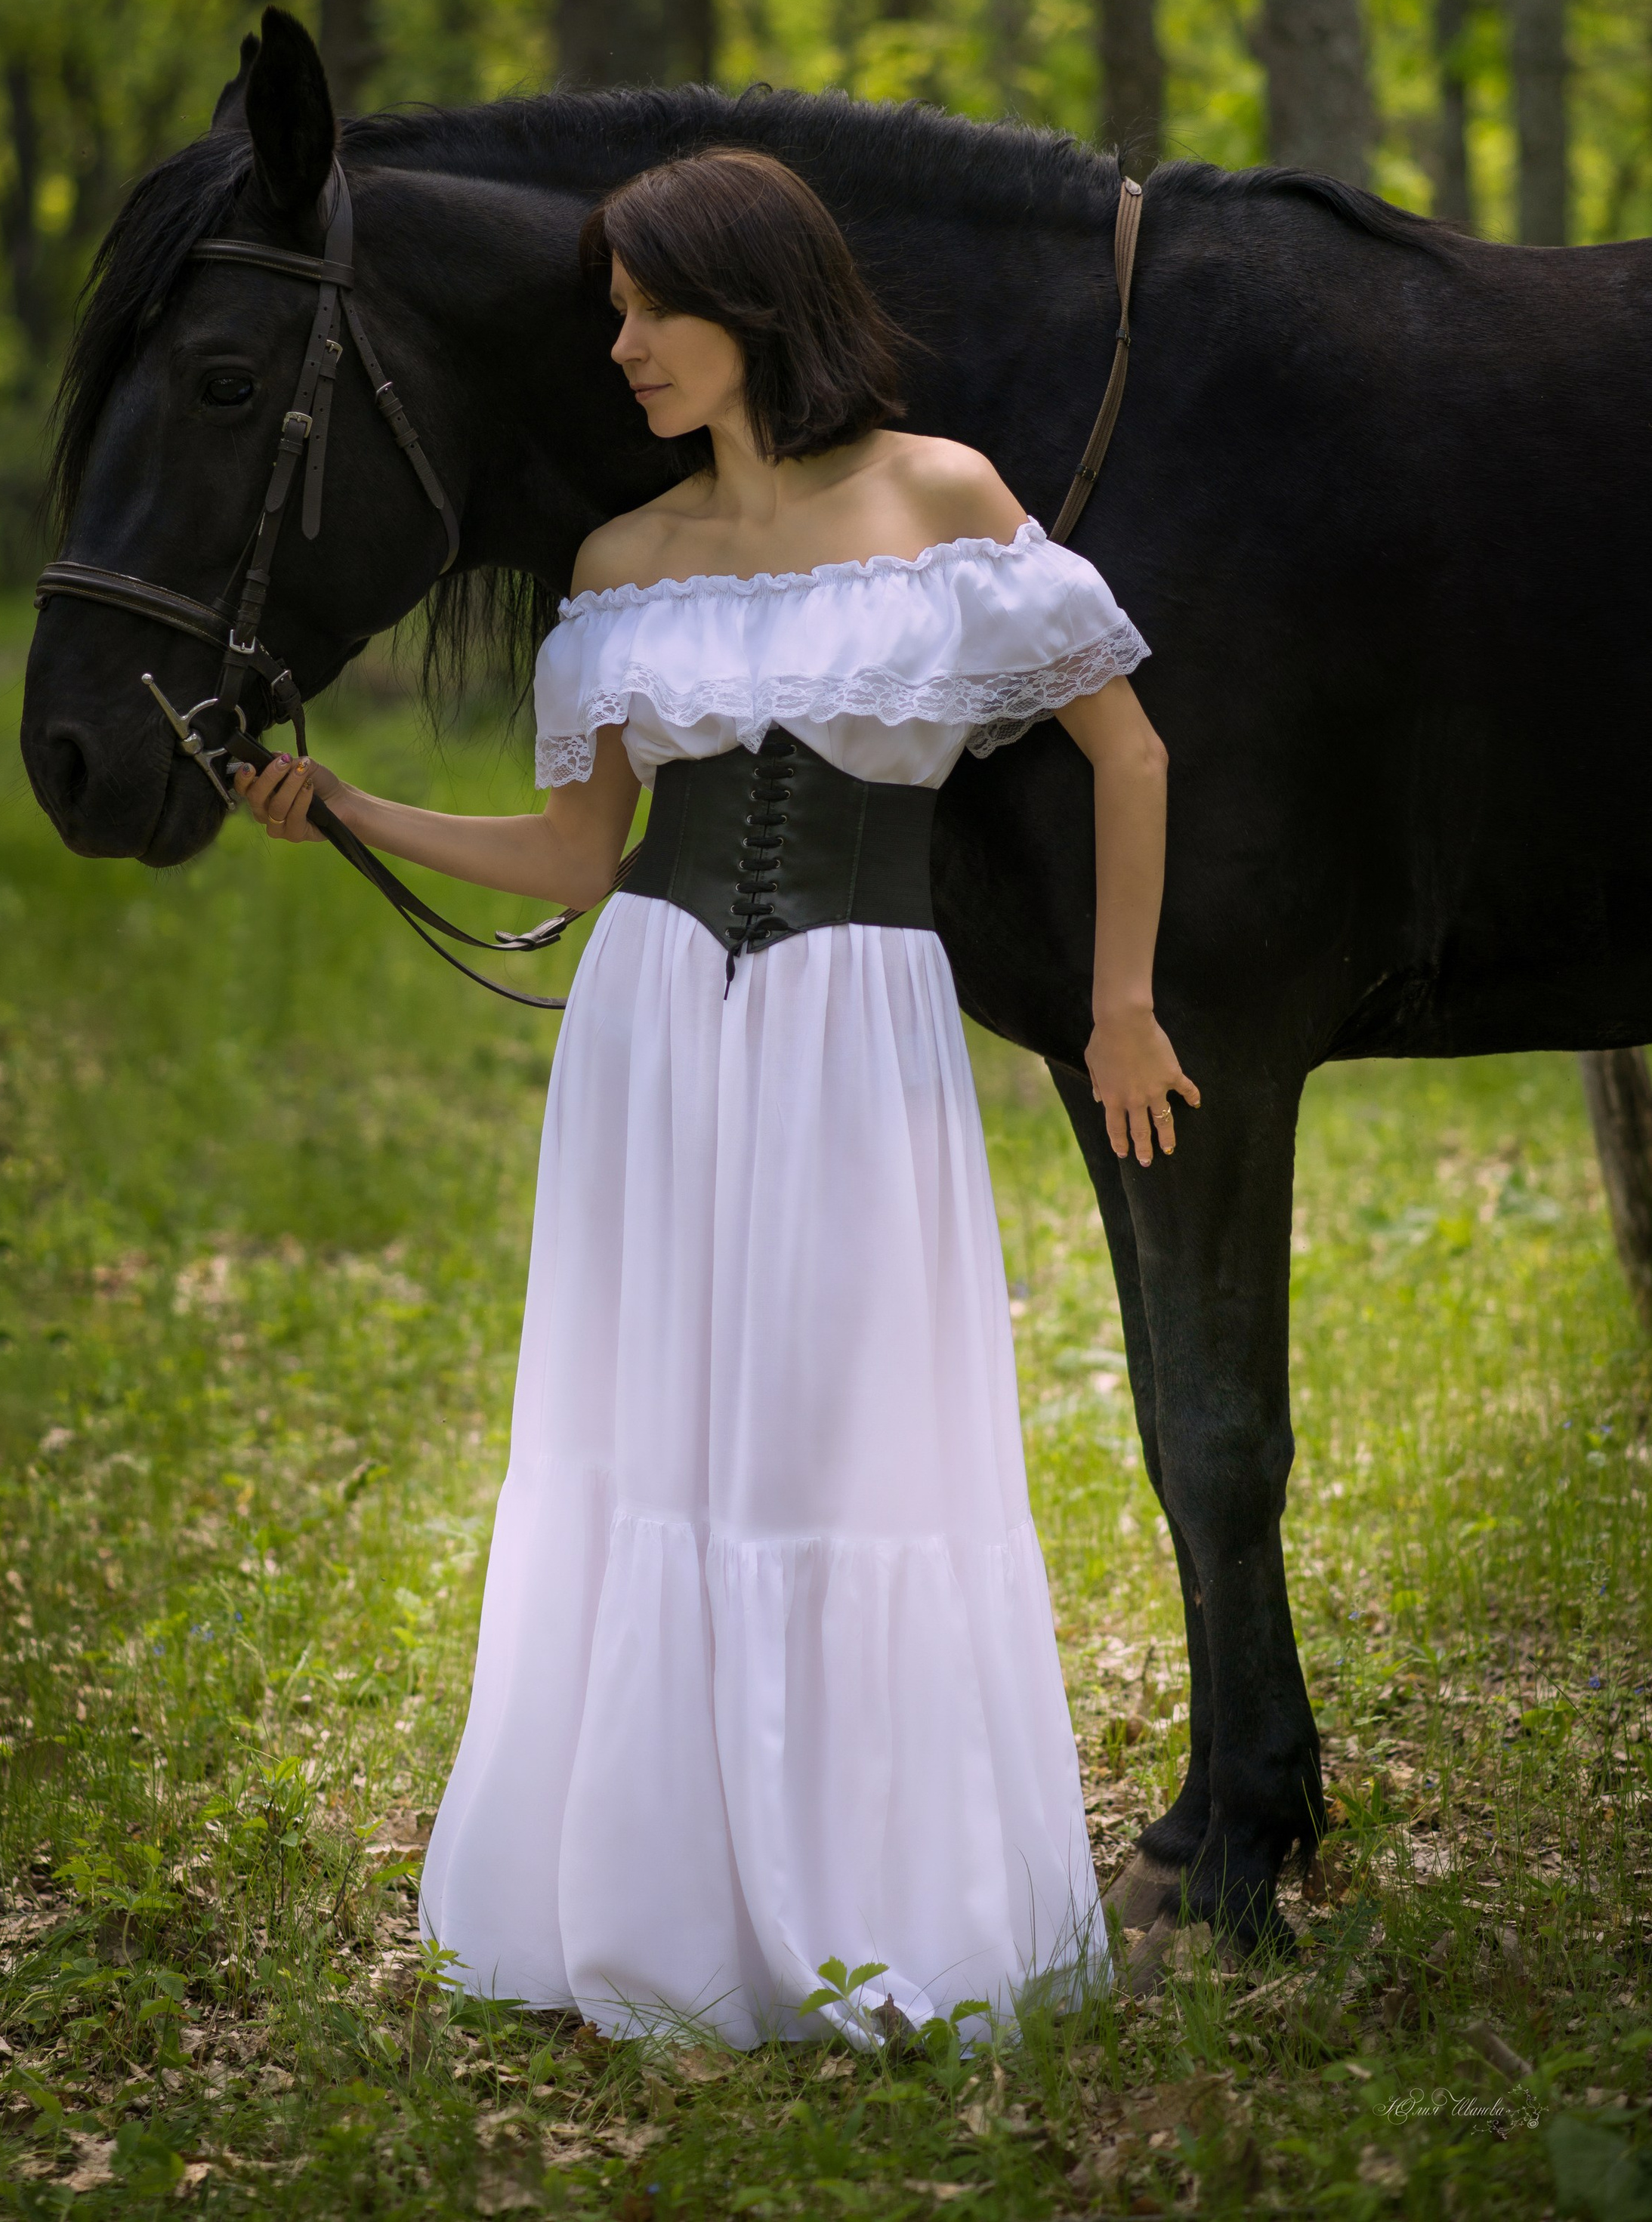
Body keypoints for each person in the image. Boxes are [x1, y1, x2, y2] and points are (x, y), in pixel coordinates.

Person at [236, 147, 1197, 2045]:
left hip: (859, 1023)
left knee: (838, 1441)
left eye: (641, 310)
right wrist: (345, 804)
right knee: (651, 1441)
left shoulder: (939, 497)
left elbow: (1130, 747)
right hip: (655, 1027)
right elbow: (582, 853)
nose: (619, 350)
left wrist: (1119, 1007)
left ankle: (859, 1907)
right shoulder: (618, 564)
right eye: (608, 315)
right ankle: (659, 1908)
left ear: (746, 301)